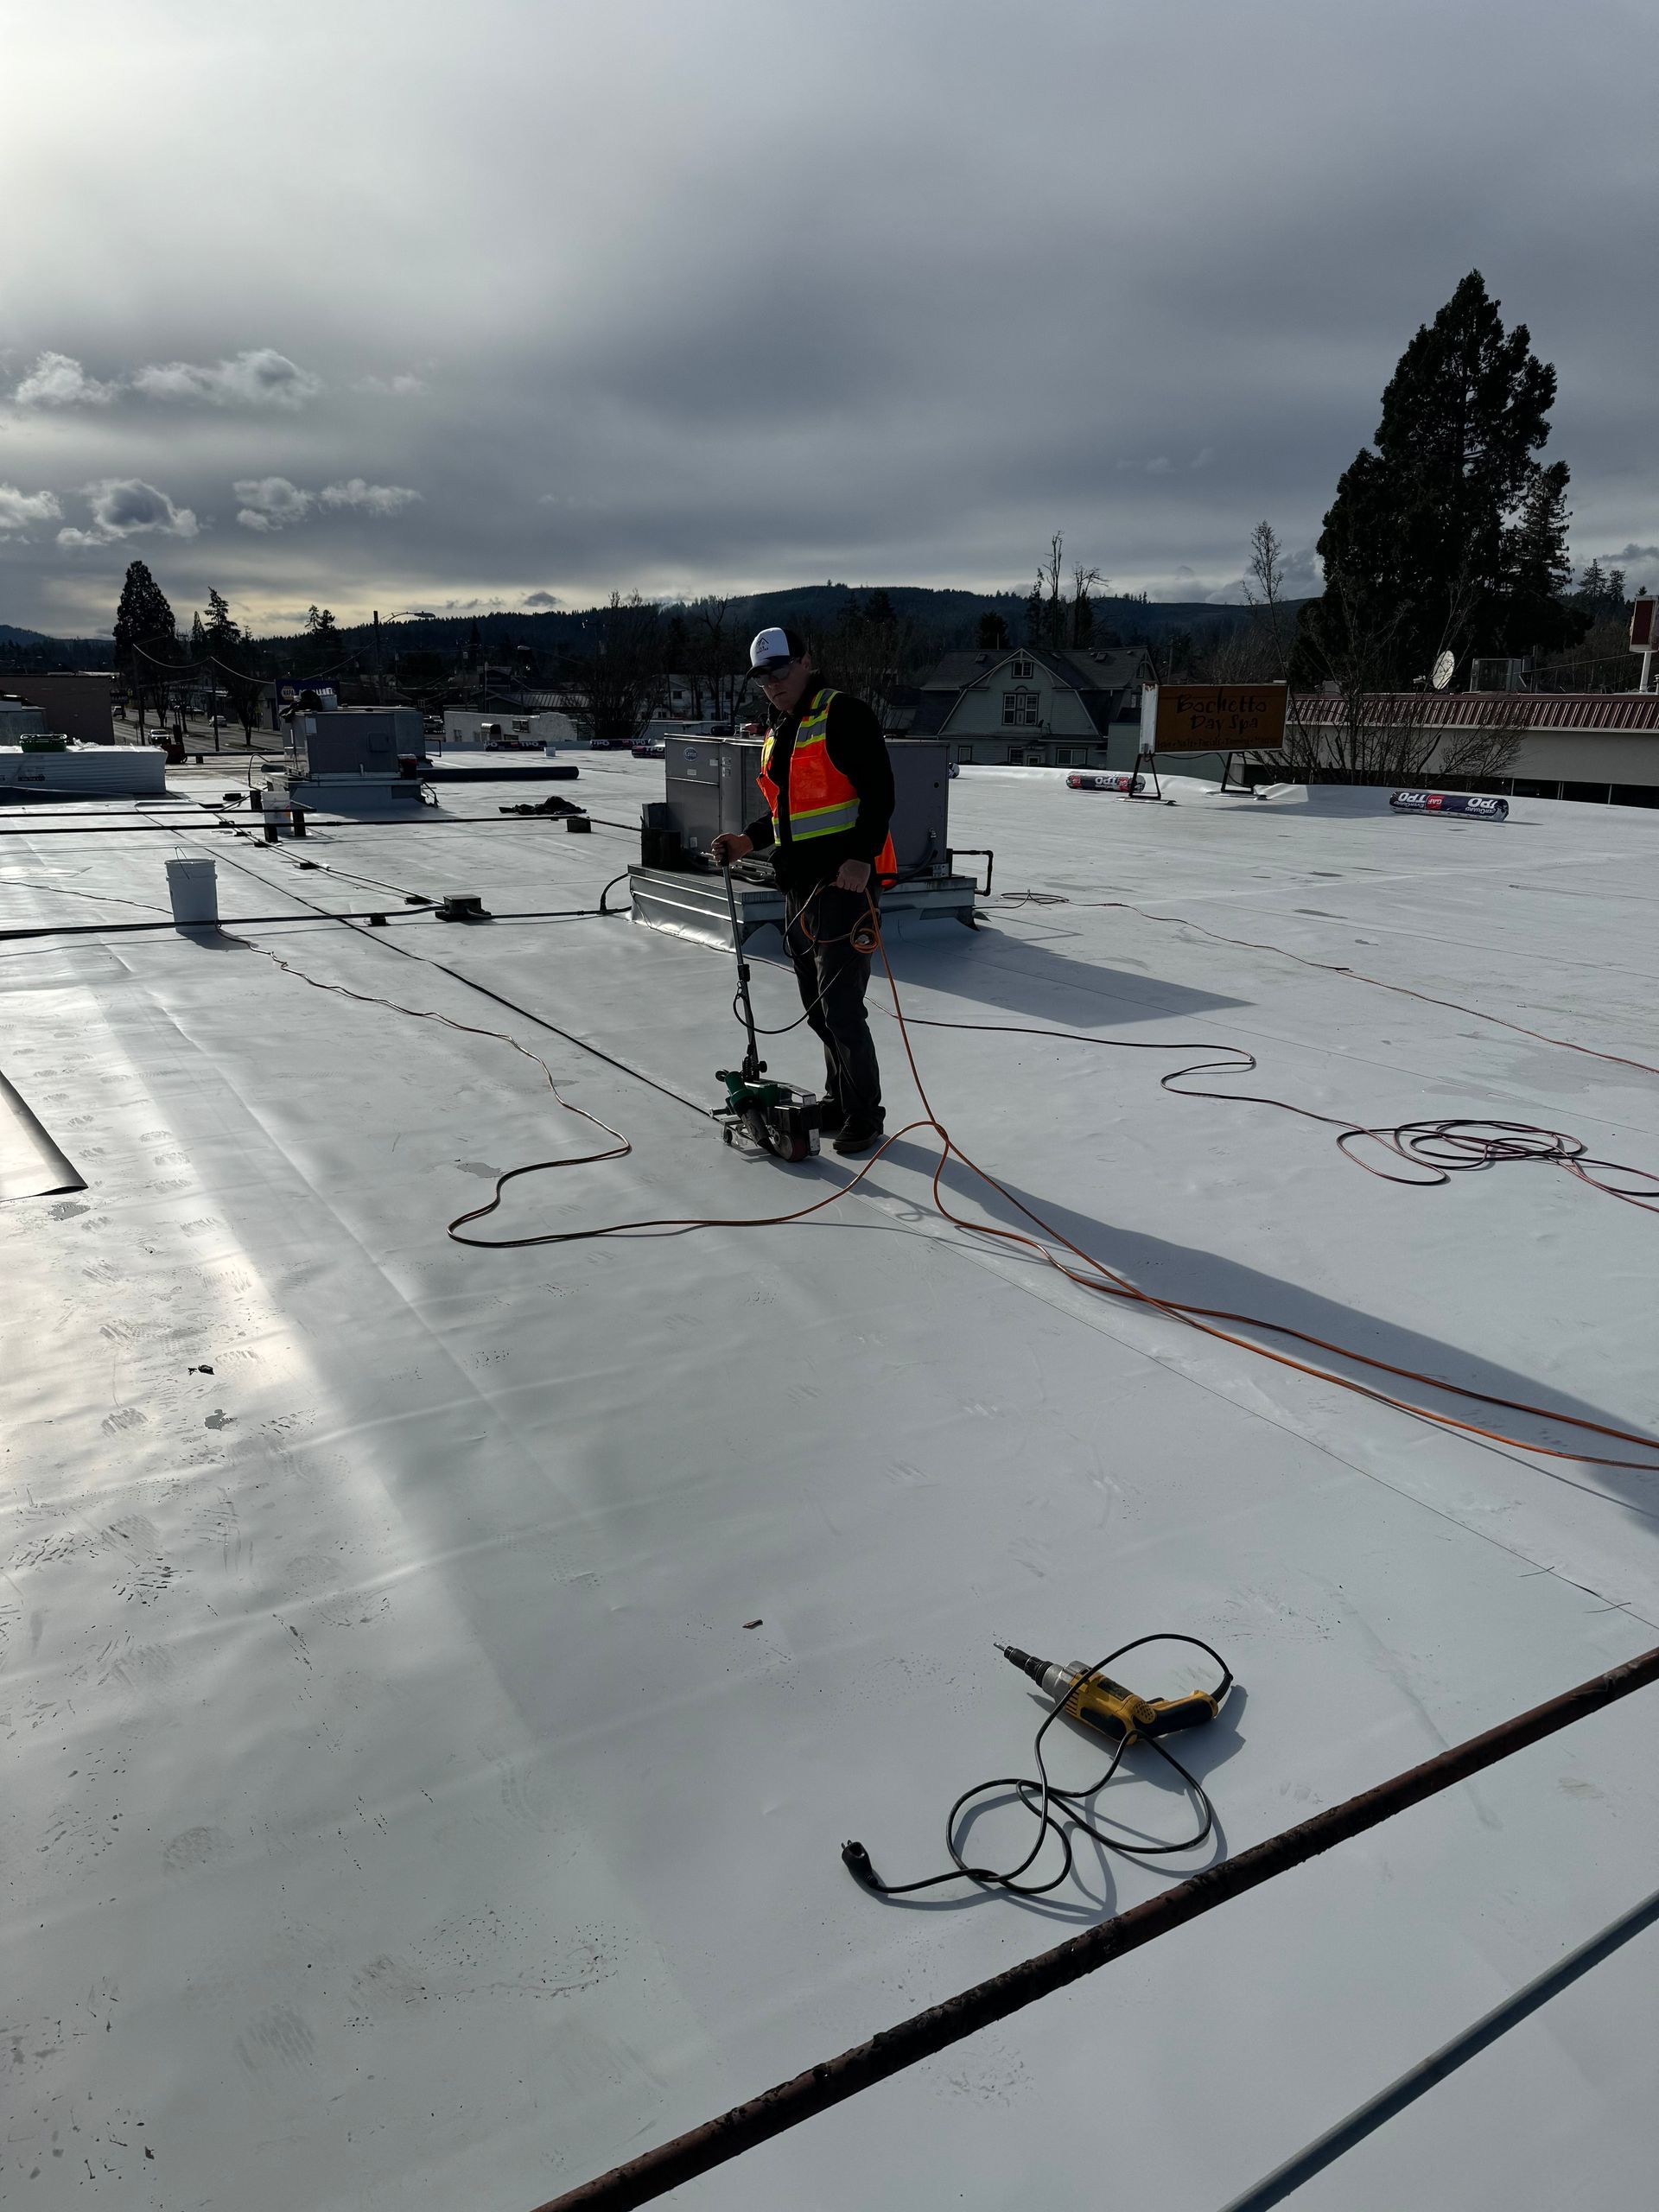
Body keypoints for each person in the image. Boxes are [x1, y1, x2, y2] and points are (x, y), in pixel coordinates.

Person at [710, 626, 896, 1157]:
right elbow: (786, 815)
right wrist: (749, 839)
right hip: (800, 888)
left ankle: (865, 1114)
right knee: (816, 1008)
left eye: (781, 670)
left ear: (807, 662)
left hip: (845, 885)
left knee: (841, 1008)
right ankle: (839, 1101)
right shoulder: (782, 732)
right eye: (763, 676)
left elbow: (881, 795)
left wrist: (861, 858)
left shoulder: (844, 715)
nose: (772, 684)